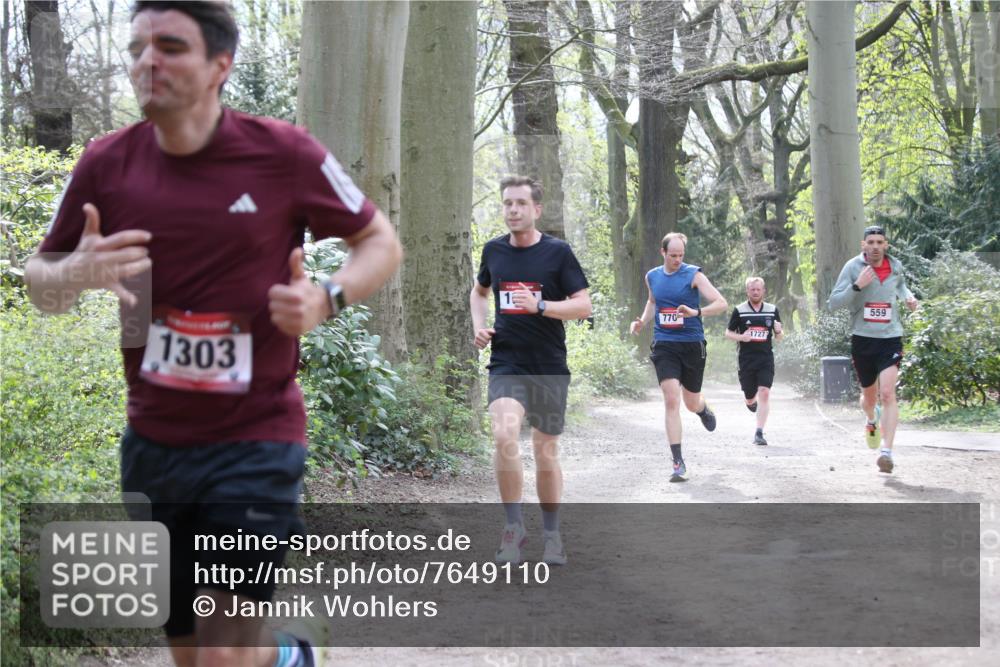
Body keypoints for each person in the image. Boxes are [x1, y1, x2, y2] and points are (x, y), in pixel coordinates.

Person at [24, 2, 402, 665]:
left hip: (256, 439)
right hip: (153, 444)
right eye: (138, 47)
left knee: (223, 654)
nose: (148, 61)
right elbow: (40, 284)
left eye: (170, 46)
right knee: (192, 655)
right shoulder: (105, 163)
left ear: (220, 65)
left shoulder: (285, 153)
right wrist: (75, 272)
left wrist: (326, 296)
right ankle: (289, 656)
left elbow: (380, 242)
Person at [470, 176, 592, 566]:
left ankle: (552, 535)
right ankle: (513, 527)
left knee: (545, 453)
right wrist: (479, 324)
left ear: (536, 210)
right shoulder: (493, 251)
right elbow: (479, 291)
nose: (513, 210)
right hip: (507, 361)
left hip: (549, 366)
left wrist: (541, 307)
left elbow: (583, 306)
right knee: (504, 434)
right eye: (507, 203)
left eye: (521, 203)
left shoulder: (558, 253)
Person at [630, 232, 727, 482]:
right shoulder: (652, 276)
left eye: (681, 255)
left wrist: (696, 312)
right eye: (672, 255)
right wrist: (642, 320)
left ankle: (703, 408)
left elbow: (721, 303)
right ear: (663, 253)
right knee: (671, 399)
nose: (677, 260)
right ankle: (677, 462)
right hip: (665, 344)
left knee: (690, 402)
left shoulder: (694, 274)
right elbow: (653, 302)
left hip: (692, 345)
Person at [829, 225, 918, 474]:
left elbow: (900, 287)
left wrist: (909, 298)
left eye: (880, 242)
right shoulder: (852, 267)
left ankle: (886, 453)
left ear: (886, 245)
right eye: (871, 242)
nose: (876, 246)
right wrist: (857, 286)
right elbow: (833, 303)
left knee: (888, 393)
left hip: (890, 338)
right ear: (863, 245)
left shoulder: (896, 265)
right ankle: (871, 419)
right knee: (869, 400)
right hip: (863, 340)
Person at [724, 277, 783, 446]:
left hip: (765, 359)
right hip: (746, 360)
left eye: (758, 289)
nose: (755, 292)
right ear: (747, 291)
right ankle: (750, 401)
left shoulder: (772, 310)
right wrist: (741, 337)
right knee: (750, 397)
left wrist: (779, 331)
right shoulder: (740, 310)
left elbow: (779, 337)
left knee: (764, 391)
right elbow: (728, 333)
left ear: (764, 291)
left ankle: (759, 432)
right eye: (752, 289)